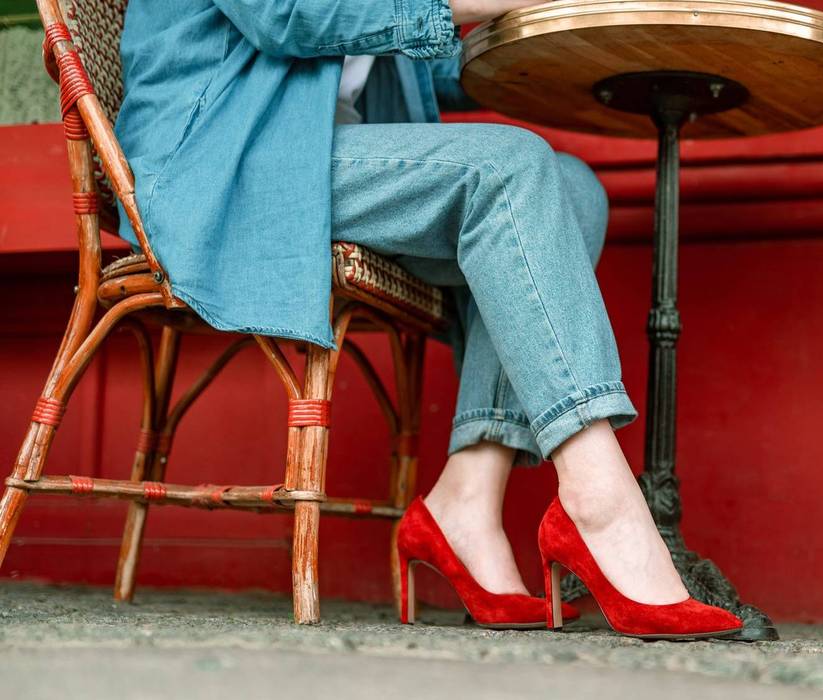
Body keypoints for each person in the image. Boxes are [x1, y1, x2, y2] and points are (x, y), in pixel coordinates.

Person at [114, 0, 741, 639]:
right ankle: (600, 500)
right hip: (226, 159)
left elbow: (427, 65)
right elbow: (289, 16)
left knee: (572, 187)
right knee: (510, 168)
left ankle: (466, 500)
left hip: (324, 156)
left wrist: (563, 44)